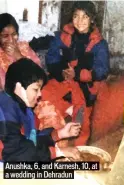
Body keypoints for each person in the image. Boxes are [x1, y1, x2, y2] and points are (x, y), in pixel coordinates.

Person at [42, 1, 109, 145]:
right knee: (44, 95)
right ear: (71, 18)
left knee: (81, 118)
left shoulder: (99, 43)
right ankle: (53, 138)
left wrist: (77, 74)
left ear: (91, 19)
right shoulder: (64, 35)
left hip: (86, 86)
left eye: (85, 17)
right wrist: (62, 72)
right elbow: (51, 57)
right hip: (65, 79)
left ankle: (80, 149)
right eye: (76, 16)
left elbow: (102, 71)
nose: (80, 21)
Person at [0, 58, 81, 161]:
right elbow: (16, 152)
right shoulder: (4, 111)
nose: (40, 94)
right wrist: (57, 152)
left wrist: (59, 134)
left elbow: (30, 141)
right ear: (18, 87)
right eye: (35, 89)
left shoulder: (24, 108)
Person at [0, 13, 41, 89]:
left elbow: (39, 75)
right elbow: (4, 86)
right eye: (5, 36)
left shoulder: (24, 47)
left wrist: (19, 57)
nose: (11, 40)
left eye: (14, 34)